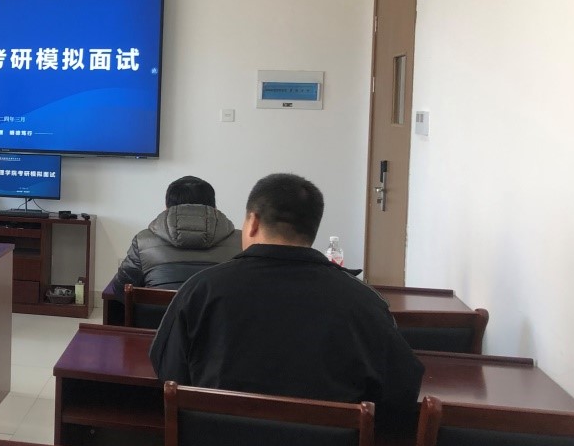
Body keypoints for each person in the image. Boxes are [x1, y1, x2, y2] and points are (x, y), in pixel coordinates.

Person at [149, 173, 423, 419]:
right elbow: (400, 389)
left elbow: (168, 371)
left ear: (253, 222)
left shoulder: (201, 289)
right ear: (312, 229)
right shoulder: (364, 301)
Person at [110, 175, 242, 298]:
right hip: (219, 316)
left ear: (167, 208)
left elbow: (120, 290)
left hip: (158, 316)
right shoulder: (241, 242)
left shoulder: (143, 241)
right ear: (214, 208)